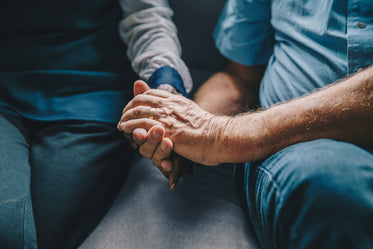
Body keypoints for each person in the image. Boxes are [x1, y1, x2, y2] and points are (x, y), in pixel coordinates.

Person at [118, 0, 373, 248]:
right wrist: (182, 131)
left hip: (269, 143)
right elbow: (240, 78)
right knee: (331, 186)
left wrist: (224, 137)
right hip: (291, 156)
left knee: (334, 184)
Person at [0, 0, 191, 248]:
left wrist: (165, 85)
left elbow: (146, 15)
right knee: (8, 231)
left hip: (92, 99)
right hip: (5, 91)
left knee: (43, 234)